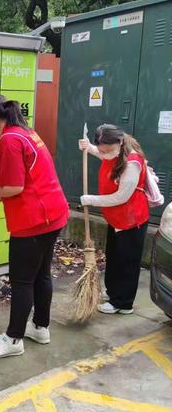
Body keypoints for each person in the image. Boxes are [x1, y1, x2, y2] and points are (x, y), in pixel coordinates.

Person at [0, 95, 69, 359]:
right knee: (41, 275)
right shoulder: (26, 133)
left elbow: (15, 186)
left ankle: (14, 339)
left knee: (22, 280)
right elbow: (23, 178)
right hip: (53, 214)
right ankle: (40, 328)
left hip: (34, 221)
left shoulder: (8, 140)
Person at [79, 124, 149, 315]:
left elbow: (121, 197)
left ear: (118, 143)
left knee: (127, 263)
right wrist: (89, 148)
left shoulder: (132, 162)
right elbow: (103, 154)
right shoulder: (114, 152)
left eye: (107, 150)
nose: (105, 154)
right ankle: (114, 295)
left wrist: (91, 200)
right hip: (117, 219)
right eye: (101, 150)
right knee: (115, 258)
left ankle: (123, 303)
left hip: (132, 220)